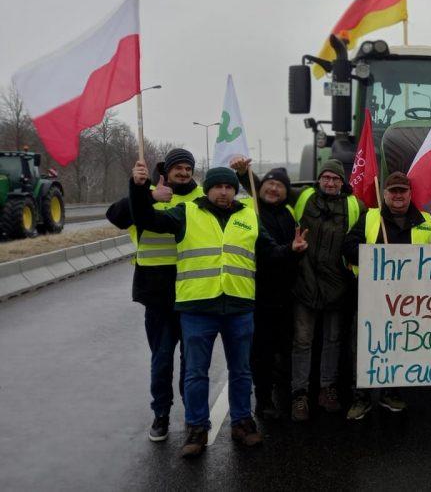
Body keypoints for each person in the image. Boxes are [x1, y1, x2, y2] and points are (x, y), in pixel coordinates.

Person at [130, 162, 307, 458]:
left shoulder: (249, 217)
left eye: (228, 187)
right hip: (198, 308)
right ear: (208, 188)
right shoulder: (186, 213)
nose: (224, 192)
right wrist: (140, 189)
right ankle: (197, 427)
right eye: (218, 187)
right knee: (196, 373)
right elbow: (147, 220)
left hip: (239, 307)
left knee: (241, 371)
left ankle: (241, 422)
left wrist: (291, 249)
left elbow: (269, 253)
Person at [106, 148, 201, 442]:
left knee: (192, 361)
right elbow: (115, 216)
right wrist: (145, 193)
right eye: (178, 168)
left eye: (188, 168)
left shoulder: (199, 199)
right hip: (156, 293)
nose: (183, 173)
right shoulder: (146, 192)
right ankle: (161, 414)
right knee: (161, 359)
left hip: (192, 291)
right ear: (168, 170)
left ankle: (191, 414)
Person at [343, 171, 431, 419]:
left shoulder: (427, 221)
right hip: (371, 298)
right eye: (393, 191)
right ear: (384, 194)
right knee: (363, 348)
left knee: (399, 346)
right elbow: (348, 247)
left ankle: (391, 393)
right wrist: (377, 258)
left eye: (403, 191)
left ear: (410, 194)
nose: (398, 196)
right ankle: (361, 398)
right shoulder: (369, 217)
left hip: (408, 301)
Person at [281, 159, 364, 422]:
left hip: (337, 285)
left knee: (333, 341)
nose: (330, 182)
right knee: (302, 341)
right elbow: (269, 194)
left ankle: (327, 390)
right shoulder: (303, 198)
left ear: (343, 182)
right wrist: (241, 175)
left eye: (335, 179)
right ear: (319, 179)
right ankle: (299, 394)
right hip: (305, 283)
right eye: (326, 177)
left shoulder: (354, 206)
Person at [231, 160, 300, 420]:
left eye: (279, 185)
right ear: (260, 188)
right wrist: (242, 173)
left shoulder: (290, 213)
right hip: (257, 294)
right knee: (262, 351)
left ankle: (283, 393)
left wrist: (295, 255)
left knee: (286, 347)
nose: (273, 188)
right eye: (269, 183)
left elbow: (294, 251)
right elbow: (268, 250)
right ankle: (263, 399)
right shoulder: (249, 210)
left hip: (287, 294)